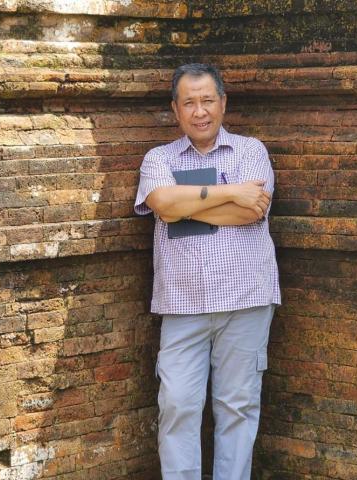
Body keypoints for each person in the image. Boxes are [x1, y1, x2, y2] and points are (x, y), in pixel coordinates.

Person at [134, 63, 281, 480]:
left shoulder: (250, 151)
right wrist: (230, 191)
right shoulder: (159, 158)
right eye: (189, 103)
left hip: (246, 298)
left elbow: (252, 211)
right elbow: (163, 204)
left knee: (238, 406)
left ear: (223, 103)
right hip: (182, 303)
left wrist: (186, 206)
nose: (200, 112)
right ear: (175, 110)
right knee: (177, 404)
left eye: (207, 101)